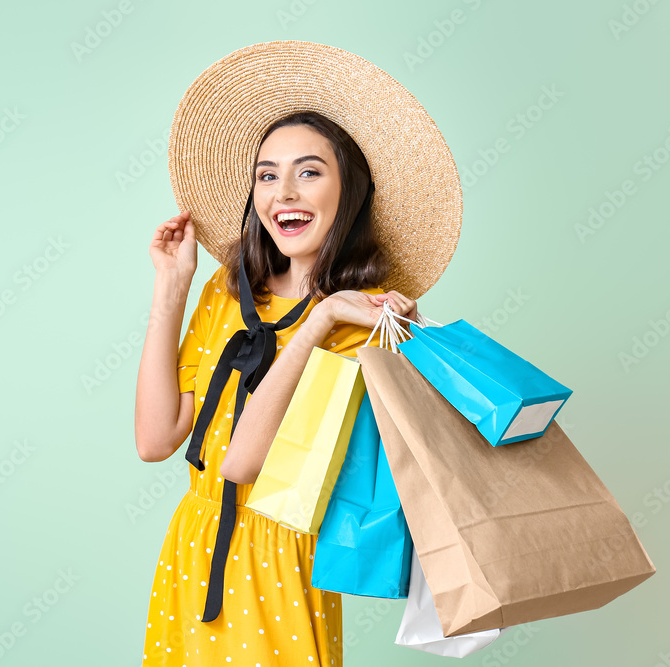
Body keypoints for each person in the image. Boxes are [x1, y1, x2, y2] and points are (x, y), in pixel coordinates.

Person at [135, 41, 462, 666]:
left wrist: (318, 323)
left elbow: (243, 464)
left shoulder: (365, 321)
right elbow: (155, 439)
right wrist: (171, 289)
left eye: (310, 171)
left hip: (279, 566)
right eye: (267, 173)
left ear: (351, 191)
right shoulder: (227, 292)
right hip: (192, 549)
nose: (284, 191)